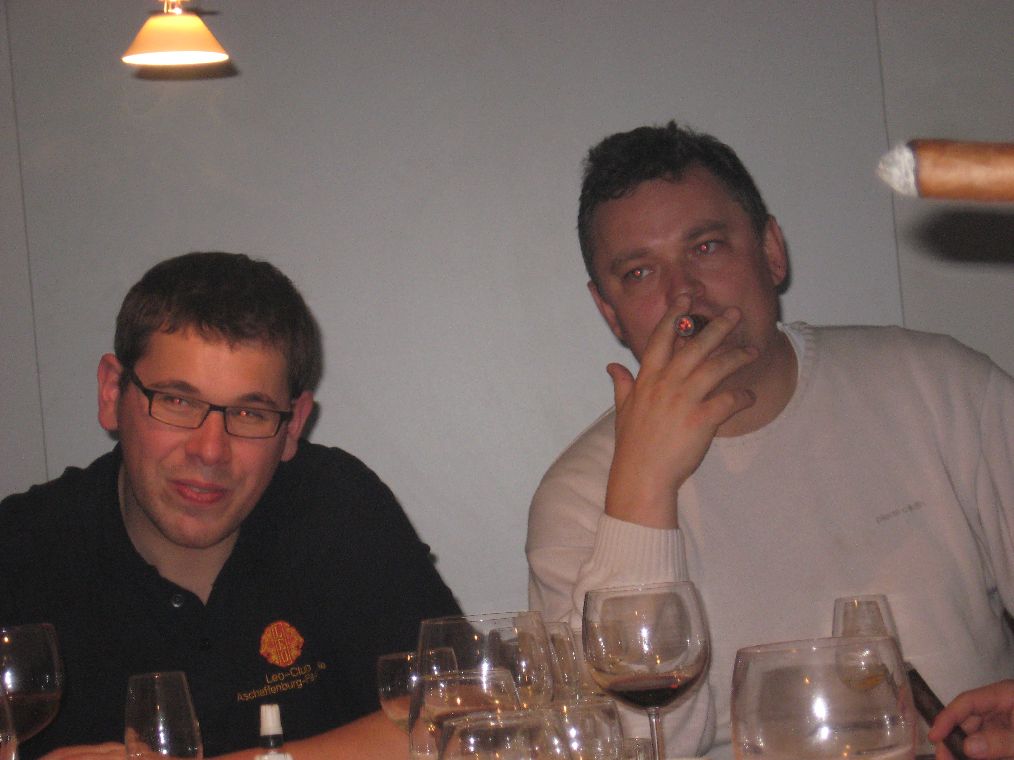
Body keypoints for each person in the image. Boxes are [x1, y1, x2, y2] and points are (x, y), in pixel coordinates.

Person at [526, 122, 1014, 759]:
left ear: (772, 252)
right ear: (609, 311)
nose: (683, 293)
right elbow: (629, 745)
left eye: (706, 247)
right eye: (640, 272)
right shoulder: (575, 498)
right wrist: (642, 488)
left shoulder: (942, 388)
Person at [0, 252, 461, 760]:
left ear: (293, 425)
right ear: (112, 393)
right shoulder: (21, 550)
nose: (210, 450)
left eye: (249, 413)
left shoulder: (337, 505)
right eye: (177, 401)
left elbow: (468, 707)